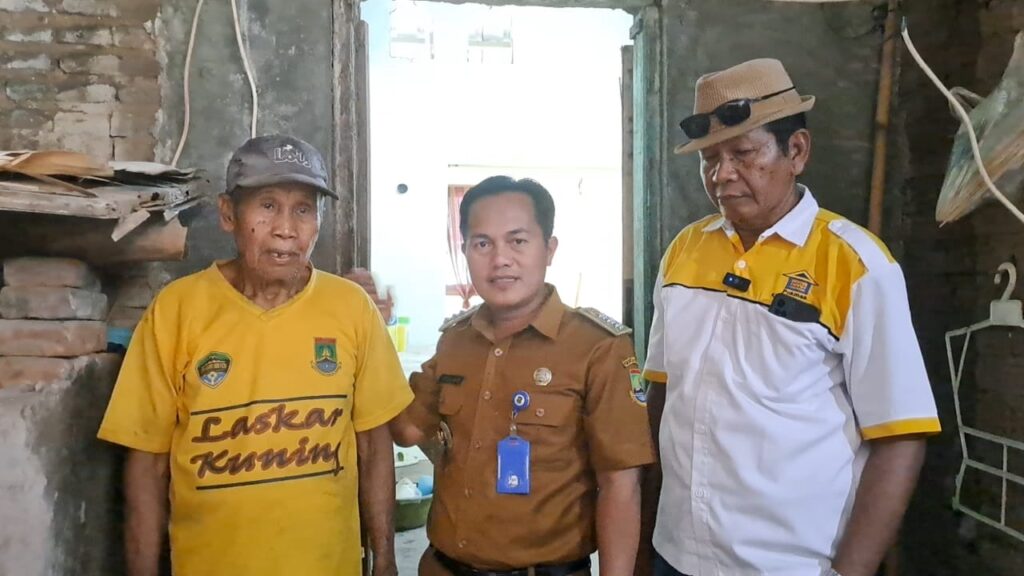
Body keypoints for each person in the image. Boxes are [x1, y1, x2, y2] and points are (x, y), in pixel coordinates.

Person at [641, 59, 942, 576]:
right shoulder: (684, 252)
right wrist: (643, 543)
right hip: (677, 554)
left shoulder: (856, 265)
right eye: (710, 159)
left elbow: (900, 437)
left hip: (791, 565)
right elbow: (662, 398)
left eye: (743, 154)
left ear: (796, 151)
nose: (721, 175)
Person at [97, 134, 413, 576]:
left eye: (303, 209)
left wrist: (386, 561)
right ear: (228, 214)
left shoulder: (351, 308)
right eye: (267, 206)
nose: (286, 228)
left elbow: (374, 447)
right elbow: (147, 463)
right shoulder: (177, 310)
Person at [390, 176, 656, 576]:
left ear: (549, 249)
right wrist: (368, 328)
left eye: (517, 241)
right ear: (464, 251)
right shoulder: (454, 341)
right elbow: (406, 429)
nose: (500, 259)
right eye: (482, 244)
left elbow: (620, 484)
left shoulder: (597, 348)